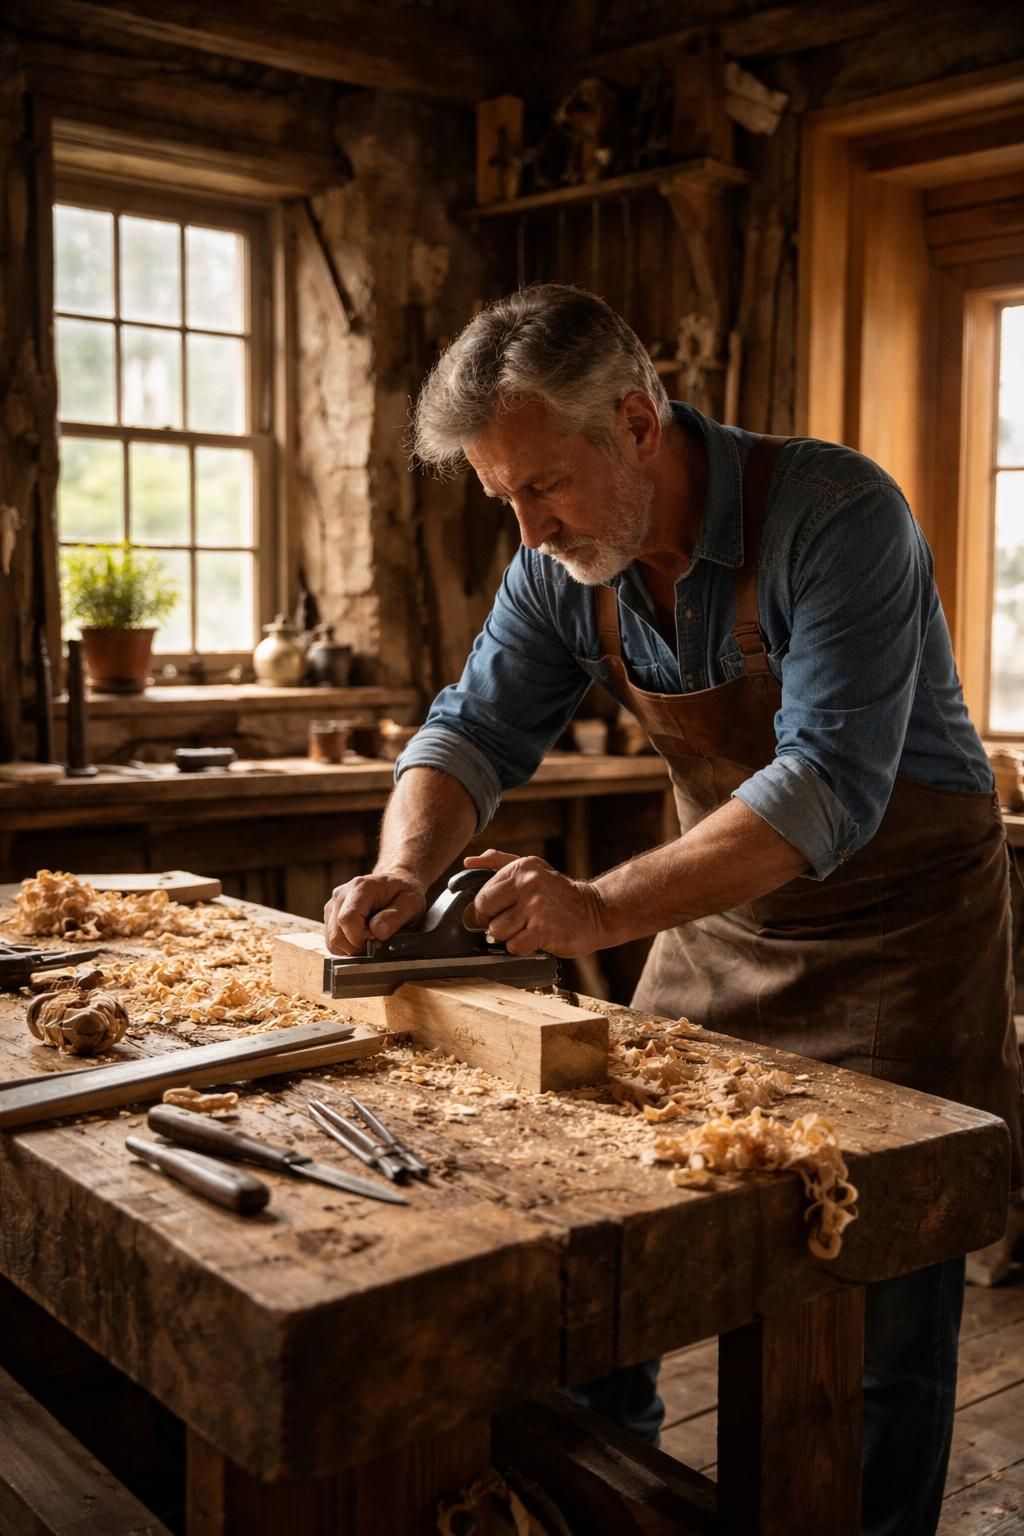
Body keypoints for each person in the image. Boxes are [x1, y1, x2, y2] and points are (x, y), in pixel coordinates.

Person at [324, 284, 1024, 1536]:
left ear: (638, 424)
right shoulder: (563, 565)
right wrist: (408, 870)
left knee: (875, 1318)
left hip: (901, 932)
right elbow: (470, 729)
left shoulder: (835, 515)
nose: (530, 530)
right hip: (717, 920)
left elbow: (822, 790)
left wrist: (596, 908)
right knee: (614, 1243)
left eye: (544, 489)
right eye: (504, 501)